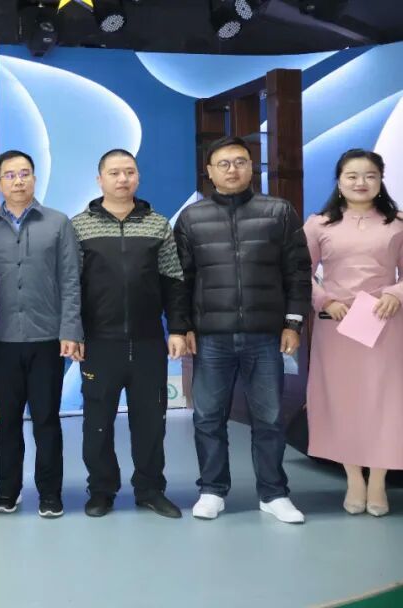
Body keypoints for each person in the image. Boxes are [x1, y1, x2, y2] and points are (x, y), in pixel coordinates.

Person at [174, 136, 312, 524]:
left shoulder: (278, 211)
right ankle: (212, 490)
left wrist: (293, 323)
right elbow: (180, 278)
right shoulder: (192, 218)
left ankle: (273, 493)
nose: (232, 169)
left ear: (252, 167)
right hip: (211, 336)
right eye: (224, 163)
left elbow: (298, 272)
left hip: (265, 335)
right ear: (209, 171)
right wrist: (182, 326)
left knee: (269, 418)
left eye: (240, 162)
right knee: (208, 417)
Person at [71, 149, 187, 519]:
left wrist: (178, 328)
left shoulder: (157, 224)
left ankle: (150, 490)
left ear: (138, 176)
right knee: (97, 423)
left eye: (129, 172)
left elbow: (173, 281)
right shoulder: (79, 226)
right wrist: (73, 332)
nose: (123, 179)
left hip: (149, 341)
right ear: (99, 179)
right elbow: (70, 285)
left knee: (150, 422)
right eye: (114, 172)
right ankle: (101, 490)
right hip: (98, 343)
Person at [0, 149, 81, 518]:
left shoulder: (57, 223)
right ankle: (8, 490)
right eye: (10, 175)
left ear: (34, 179)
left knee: (46, 419)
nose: (18, 181)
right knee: (7, 419)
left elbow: (70, 280)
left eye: (25, 173)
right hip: (2, 338)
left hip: (47, 337)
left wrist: (70, 329)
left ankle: (50, 493)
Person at [303, 148, 403, 517]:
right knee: (342, 401)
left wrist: (396, 293)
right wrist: (325, 300)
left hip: (385, 323)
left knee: (385, 403)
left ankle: (378, 480)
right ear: (339, 181)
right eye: (352, 176)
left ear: (380, 180)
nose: (361, 182)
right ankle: (353, 478)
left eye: (370, 176)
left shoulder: (397, 223)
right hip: (337, 326)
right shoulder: (319, 224)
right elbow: (298, 271)